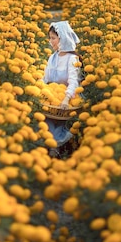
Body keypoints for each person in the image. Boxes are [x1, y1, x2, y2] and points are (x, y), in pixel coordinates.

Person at [43, 21, 82, 157]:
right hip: (53, 95)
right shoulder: (52, 58)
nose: (51, 41)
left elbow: (74, 82)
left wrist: (65, 99)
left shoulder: (72, 58)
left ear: (62, 38)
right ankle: (49, 145)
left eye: (53, 38)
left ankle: (57, 147)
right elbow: (45, 79)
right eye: (50, 38)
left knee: (60, 119)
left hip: (68, 97)